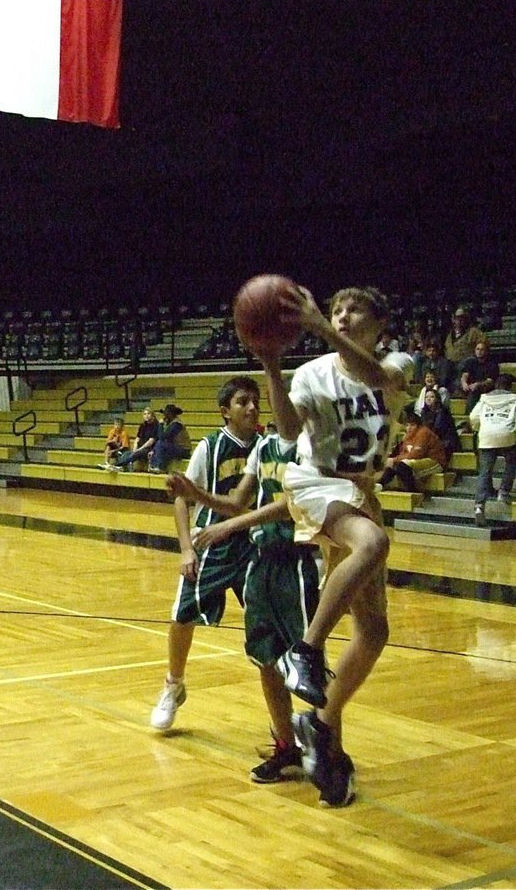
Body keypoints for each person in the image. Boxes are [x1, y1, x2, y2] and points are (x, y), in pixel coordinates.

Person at [258, 283, 414, 808]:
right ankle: (306, 650)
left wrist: (320, 326)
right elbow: (284, 428)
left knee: (374, 631)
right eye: (336, 310)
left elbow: (379, 377)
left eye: (355, 310)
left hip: (359, 491)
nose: (342, 316)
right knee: (372, 543)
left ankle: (322, 729)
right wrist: (273, 366)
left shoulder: (399, 362)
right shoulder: (313, 372)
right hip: (314, 482)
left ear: (379, 324)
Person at [176, 423, 320, 784]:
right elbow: (236, 502)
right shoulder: (264, 447)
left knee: (307, 662)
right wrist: (196, 492)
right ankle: (286, 746)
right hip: (262, 560)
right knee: (265, 658)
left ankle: (329, 749)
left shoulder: (313, 446)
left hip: (297, 560)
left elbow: (292, 504)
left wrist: (229, 527)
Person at [148, 377, 260, 731]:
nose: (252, 407)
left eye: (255, 401)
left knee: (268, 624)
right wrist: (185, 548)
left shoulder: (266, 446)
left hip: (253, 543)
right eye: (243, 402)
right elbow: (181, 495)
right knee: (183, 616)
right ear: (225, 411)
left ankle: (285, 717)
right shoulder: (210, 447)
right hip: (212, 541)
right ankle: (173, 685)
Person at [469, 373, 516, 527]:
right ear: (510, 387)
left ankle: (479, 506)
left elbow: (473, 417)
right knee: (512, 460)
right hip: (506, 435)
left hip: (487, 435)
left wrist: (479, 429)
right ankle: (503, 492)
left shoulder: (484, 399)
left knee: (485, 471)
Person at [377, 405, 449, 493]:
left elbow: (417, 454)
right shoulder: (407, 436)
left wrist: (395, 459)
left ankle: (413, 492)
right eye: (407, 425)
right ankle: (380, 485)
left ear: (418, 425)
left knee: (402, 465)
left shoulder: (423, 432)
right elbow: (404, 453)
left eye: (412, 425)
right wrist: (393, 461)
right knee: (395, 465)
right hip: (419, 460)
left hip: (435, 461)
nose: (409, 428)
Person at [105, 407, 160, 472]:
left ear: (152, 415)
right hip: (140, 448)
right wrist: (135, 449)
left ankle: (117, 465)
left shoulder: (156, 425)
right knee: (127, 453)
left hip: (149, 449)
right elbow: (137, 438)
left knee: (136, 454)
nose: (146, 416)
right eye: (145, 414)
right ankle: (120, 467)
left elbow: (151, 441)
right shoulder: (143, 425)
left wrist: (139, 449)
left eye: (148, 414)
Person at [458, 340, 499, 418]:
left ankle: (468, 417)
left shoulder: (492, 364)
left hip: (485, 388)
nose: (479, 351)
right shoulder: (470, 362)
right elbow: (465, 375)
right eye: (477, 349)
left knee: (474, 393)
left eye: (482, 349)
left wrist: (477, 384)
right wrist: (464, 383)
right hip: (470, 387)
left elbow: (490, 381)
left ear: (486, 351)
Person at [418, 386, 460, 461]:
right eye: (426, 397)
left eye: (432, 397)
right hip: (432, 440)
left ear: (437, 399)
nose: (428, 399)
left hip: (445, 441)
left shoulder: (443, 411)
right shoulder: (424, 412)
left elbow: (438, 429)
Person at [148, 403, 191, 473]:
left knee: (160, 444)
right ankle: (154, 466)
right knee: (158, 445)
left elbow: (163, 438)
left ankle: (159, 467)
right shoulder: (171, 423)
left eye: (166, 414)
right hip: (176, 447)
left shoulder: (176, 424)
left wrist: (160, 425)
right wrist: (154, 450)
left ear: (171, 414)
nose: (164, 416)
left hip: (183, 450)